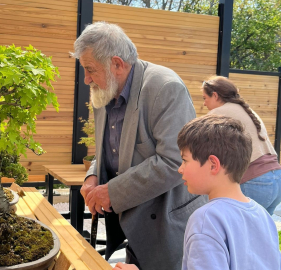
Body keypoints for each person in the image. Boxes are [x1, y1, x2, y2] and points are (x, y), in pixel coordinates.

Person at [72, 21, 207, 270]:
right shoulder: (104, 91)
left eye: (90, 69)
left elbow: (174, 161)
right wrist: (93, 175)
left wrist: (112, 191)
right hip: (132, 226)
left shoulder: (165, 88)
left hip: (167, 227)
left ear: (117, 64)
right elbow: (109, 150)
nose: (86, 79)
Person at [114, 114, 281, 270]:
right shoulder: (262, 214)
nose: (180, 169)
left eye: (185, 160)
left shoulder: (206, 219)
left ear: (213, 165)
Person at [202, 76, 281, 215]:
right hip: (276, 179)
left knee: (239, 233)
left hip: (255, 182)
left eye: (204, 98)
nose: (204, 104)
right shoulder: (246, 110)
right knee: (259, 234)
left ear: (215, 95)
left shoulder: (218, 113)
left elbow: (195, 142)